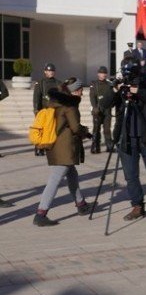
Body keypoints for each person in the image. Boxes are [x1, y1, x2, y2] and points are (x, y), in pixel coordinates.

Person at [102, 61, 146, 222]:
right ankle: (137, 206)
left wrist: (138, 91)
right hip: (126, 139)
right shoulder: (120, 86)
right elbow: (104, 104)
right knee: (130, 177)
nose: (128, 77)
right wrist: (114, 90)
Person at [33, 79, 91, 226]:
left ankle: (81, 204)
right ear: (74, 91)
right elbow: (75, 128)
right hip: (65, 148)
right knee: (55, 179)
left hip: (55, 146)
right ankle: (41, 213)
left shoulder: (55, 103)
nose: (82, 93)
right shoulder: (69, 105)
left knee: (72, 175)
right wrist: (86, 131)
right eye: (80, 90)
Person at [32, 63, 61, 156]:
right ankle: (39, 148)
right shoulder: (40, 83)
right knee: (41, 130)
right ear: (45, 72)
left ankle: (50, 146)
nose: (50, 72)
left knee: (52, 130)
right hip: (43, 110)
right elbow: (36, 97)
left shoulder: (58, 83)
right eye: (48, 71)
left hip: (53, 110)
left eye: (52, 71)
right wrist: (36, 110)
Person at [89, 66, 114, 154]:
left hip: (107, 109)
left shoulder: (109, 84)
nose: (103, 75)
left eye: (104, 73)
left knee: (107, 129)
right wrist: (94, 107)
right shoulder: (94, 84)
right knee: (96, 129)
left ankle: (109, 145)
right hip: (98, 109)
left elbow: (112, 96)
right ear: (98, 74)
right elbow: (92, 97)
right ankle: (95, 146)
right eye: (101, 73)